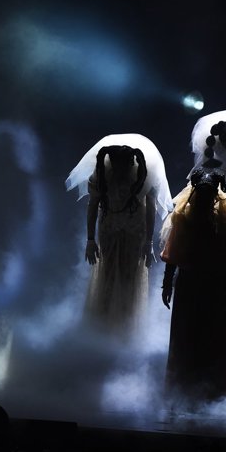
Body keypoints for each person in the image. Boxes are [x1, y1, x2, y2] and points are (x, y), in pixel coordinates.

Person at [65, 134, 173, 336]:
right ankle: (103, 323)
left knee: (130, 275)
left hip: (135, 231)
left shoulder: (144, 176)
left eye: (124, 166)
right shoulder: (102, 175)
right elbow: (92, 205)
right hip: (109, 229)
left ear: (132, 162)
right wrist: (90, 240)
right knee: (107, 271)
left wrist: (148, 242)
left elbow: (150, 209)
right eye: (117, 166)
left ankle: (126, 326)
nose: (120, 170)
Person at [159, 167, 226, 400]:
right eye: (201, 193)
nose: (205, 198)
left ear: (215, 194)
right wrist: (167, 284)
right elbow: (174, 253)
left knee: (212, 333)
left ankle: (212, 387)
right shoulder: (183, 216)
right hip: (189, 281)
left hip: (214, 282)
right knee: (186, 332)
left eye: (209, 193)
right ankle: (185, 384)